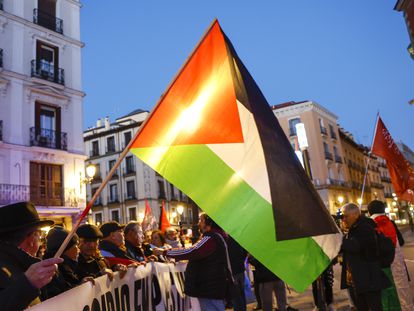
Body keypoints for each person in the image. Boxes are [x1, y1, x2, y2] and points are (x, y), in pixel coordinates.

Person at [153, 213, 228, 311]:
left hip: (210, 288)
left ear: (209, 223)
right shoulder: (216, 236)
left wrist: (165, 252)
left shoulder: (211, 238)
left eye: (201, 221)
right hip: (212, 287)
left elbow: (192, 251)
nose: (198, 223)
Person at [0, 201, 63, 310]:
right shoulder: (6, 270)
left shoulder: (23, 265)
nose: (41, 242)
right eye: (39, 236)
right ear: (32, 239)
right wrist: (28, 284)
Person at [340, 203, 390, 311]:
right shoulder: (353, 229)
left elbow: (355, 246)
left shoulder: (365, 227)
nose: (343, 219)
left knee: (374, 308)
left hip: (369, 279)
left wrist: (339, 240)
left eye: (345, 216)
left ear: (355, 215)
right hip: (358, 280)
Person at [368, 200, 413, 311]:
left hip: (380, 267)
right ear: (383, 210)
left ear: (369, 212)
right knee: (401, 292)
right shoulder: (391, 222)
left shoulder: (369, 225)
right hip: (397, 265)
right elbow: (401, 242)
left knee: (385, 296)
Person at [41, 226, 85, 300]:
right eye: (76, 245)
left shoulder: (68, 267)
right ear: (65, 249)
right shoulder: (52, 272)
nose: (78, 249)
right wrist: (80, 287)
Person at [227, 236, 248, 311]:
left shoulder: (226, 240)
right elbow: (245, 252)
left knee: (235, 295)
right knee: (241, 293)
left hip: (233, 271)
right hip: (240, 268)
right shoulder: (239, 238)